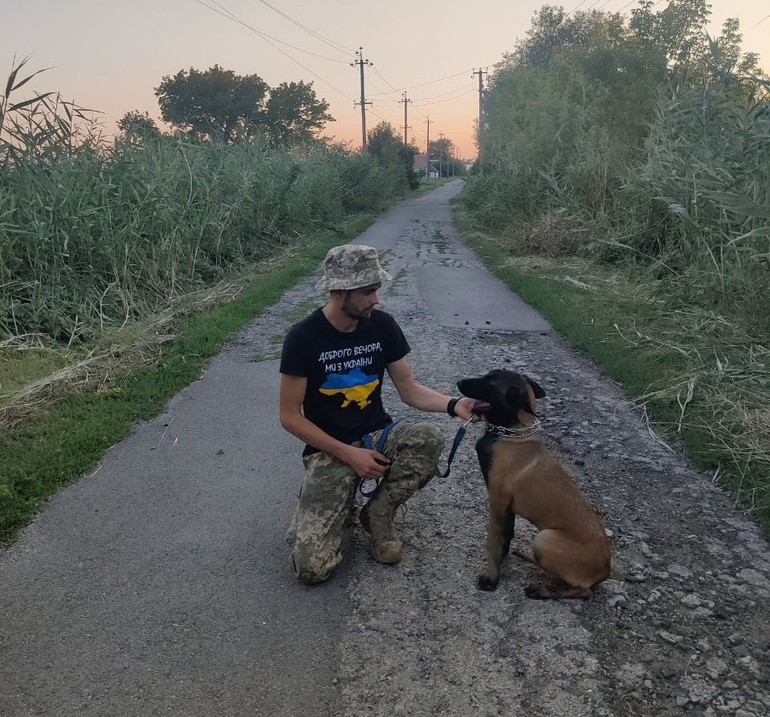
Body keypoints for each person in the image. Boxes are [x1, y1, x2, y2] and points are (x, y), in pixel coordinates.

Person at [279, 243, 479, 584]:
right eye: (368, 291)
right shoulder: (303, 337)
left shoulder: (382, 326)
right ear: (340, 292)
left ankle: (379, 513)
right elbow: (289, 416)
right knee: (312, 570)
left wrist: (454, 404)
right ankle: (323, 500)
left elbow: (410, 390)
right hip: (331, 449)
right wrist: (349, 455)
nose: (376, 300)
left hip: (377, 435)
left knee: (428, 438)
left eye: (377, 290)